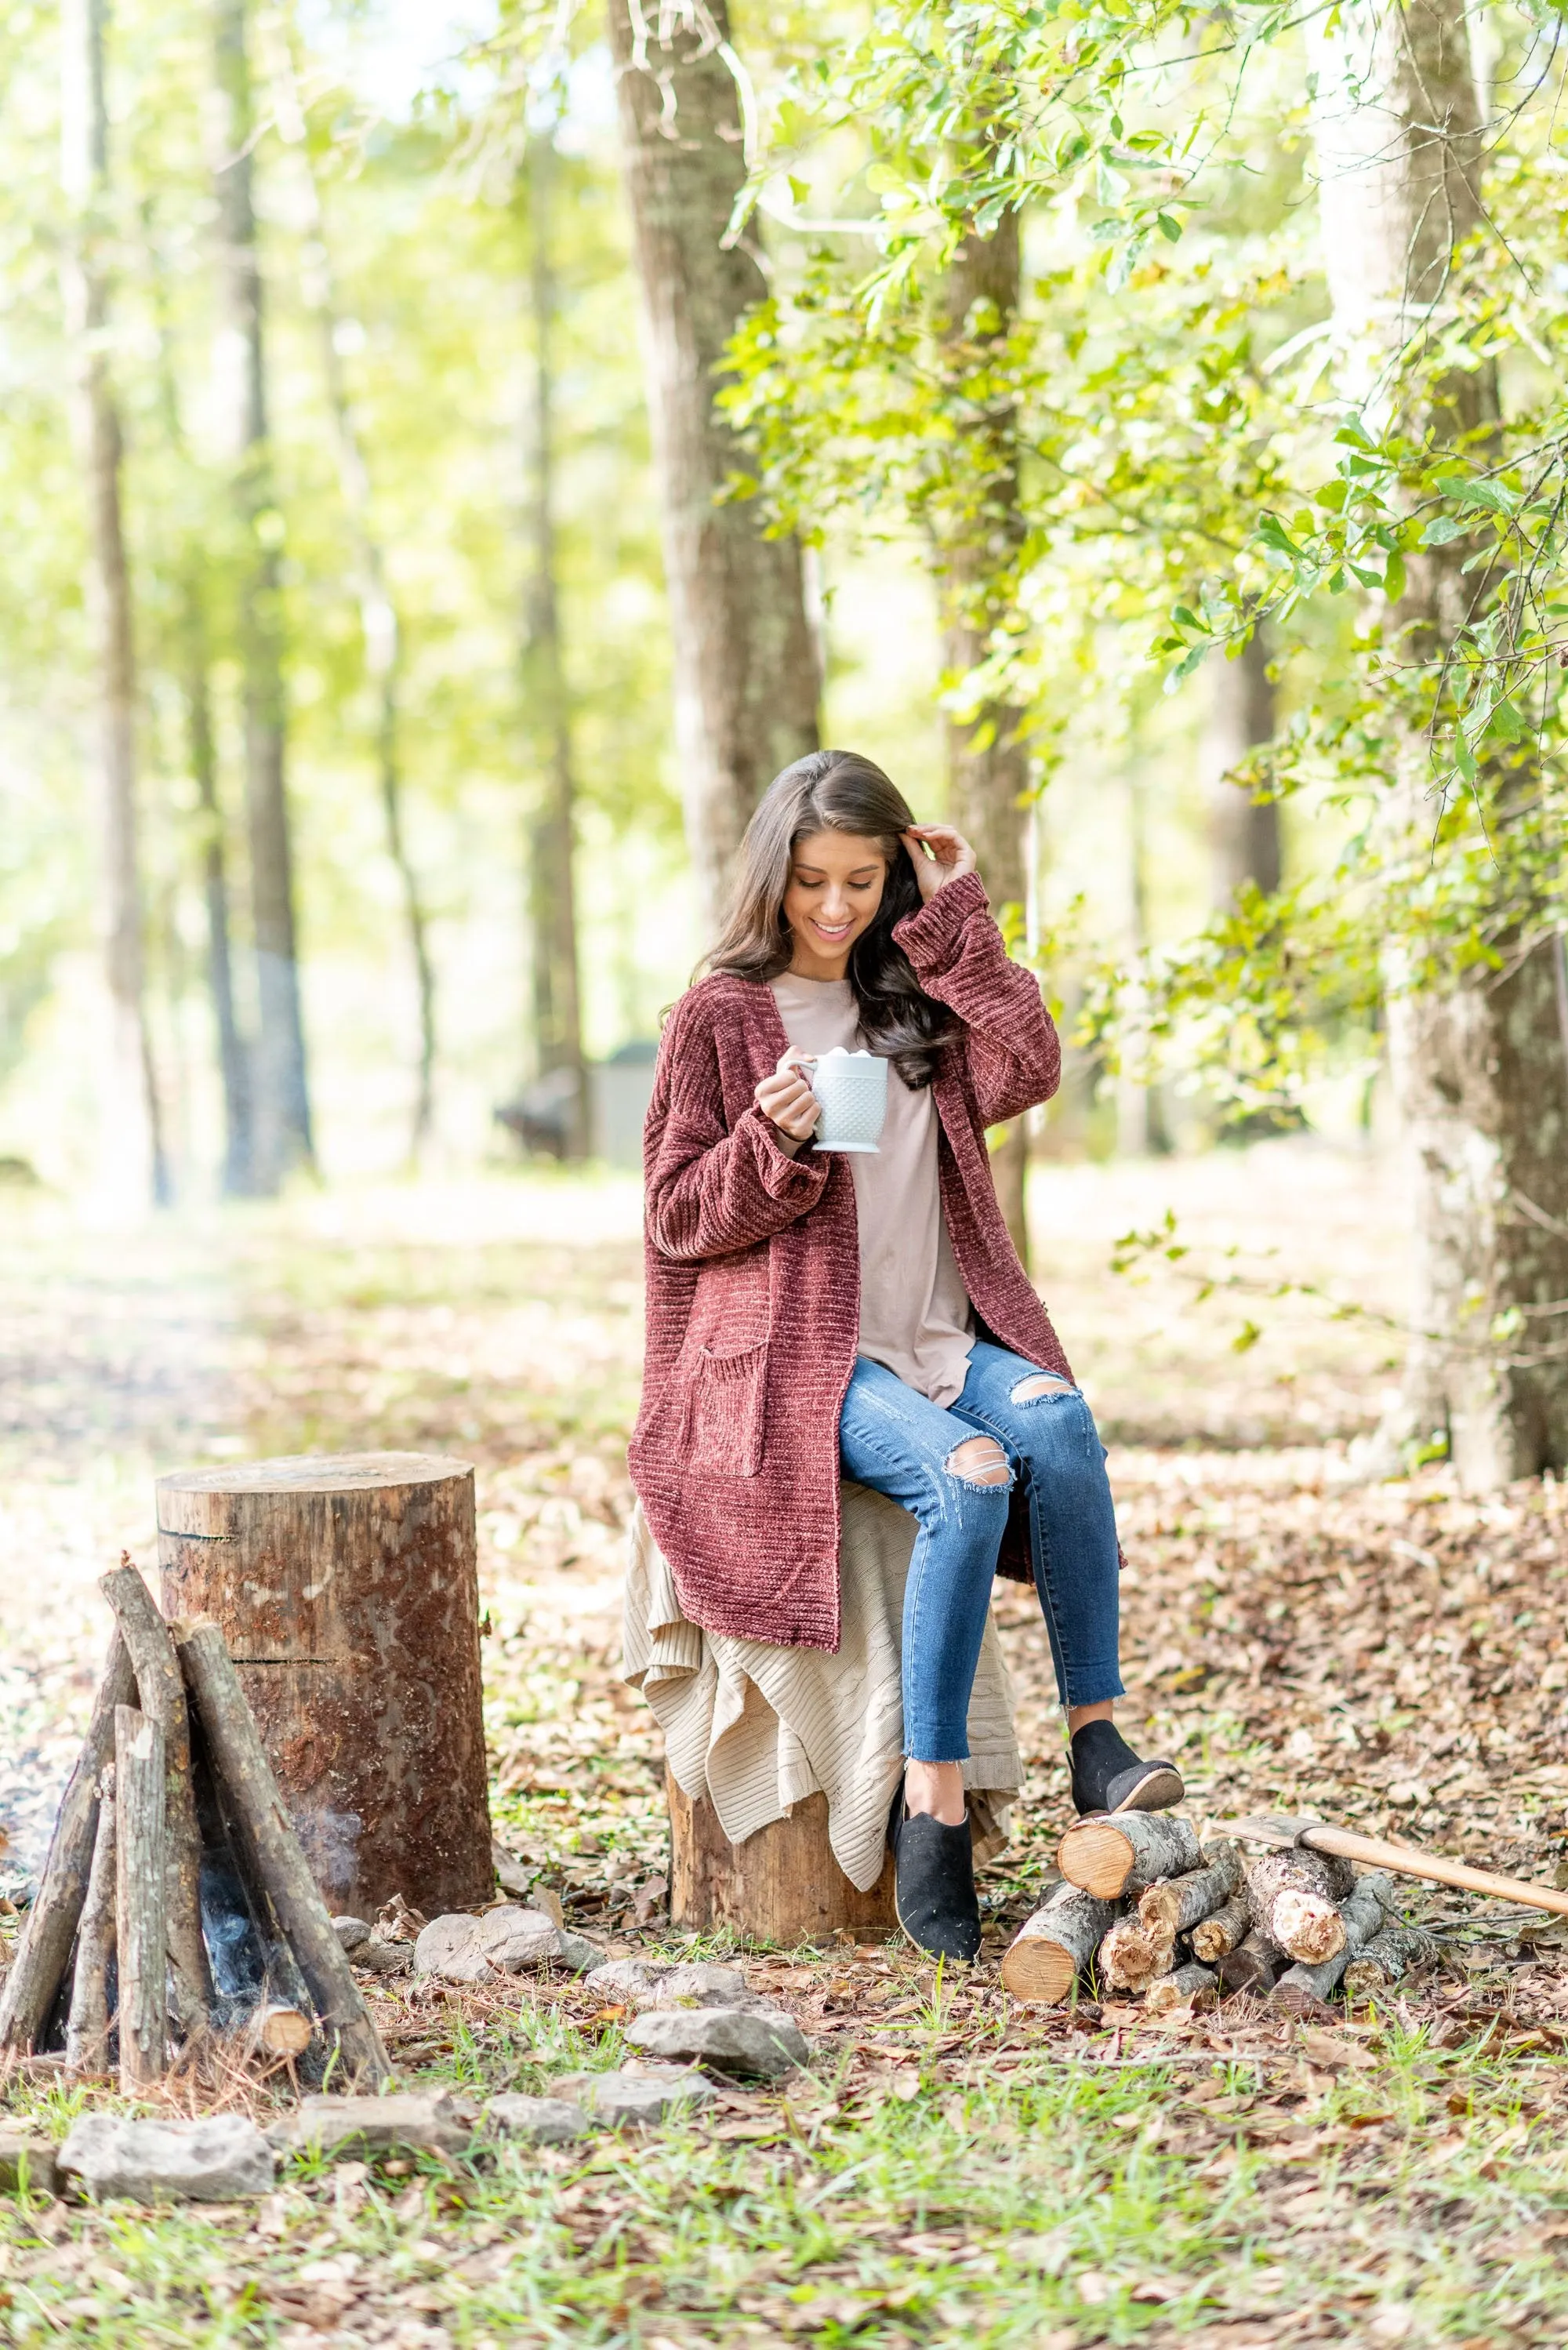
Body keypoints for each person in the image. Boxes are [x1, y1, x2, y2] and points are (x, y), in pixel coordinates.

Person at [630, 749, 1181, 1963]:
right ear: (774, 875)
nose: (835, 909)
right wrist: (773, 1146)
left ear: (895, 879)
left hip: (944, 1335)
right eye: (813, 883)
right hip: (807, 1360)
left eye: (864, 882)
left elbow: (1030, 1066)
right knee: (973, 1476)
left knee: (1057, 1423)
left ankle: (1100, 1739)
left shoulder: (912, 997)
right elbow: (677, 1214)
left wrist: (962, 925)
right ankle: (929, 1802)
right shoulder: (720, 1015)